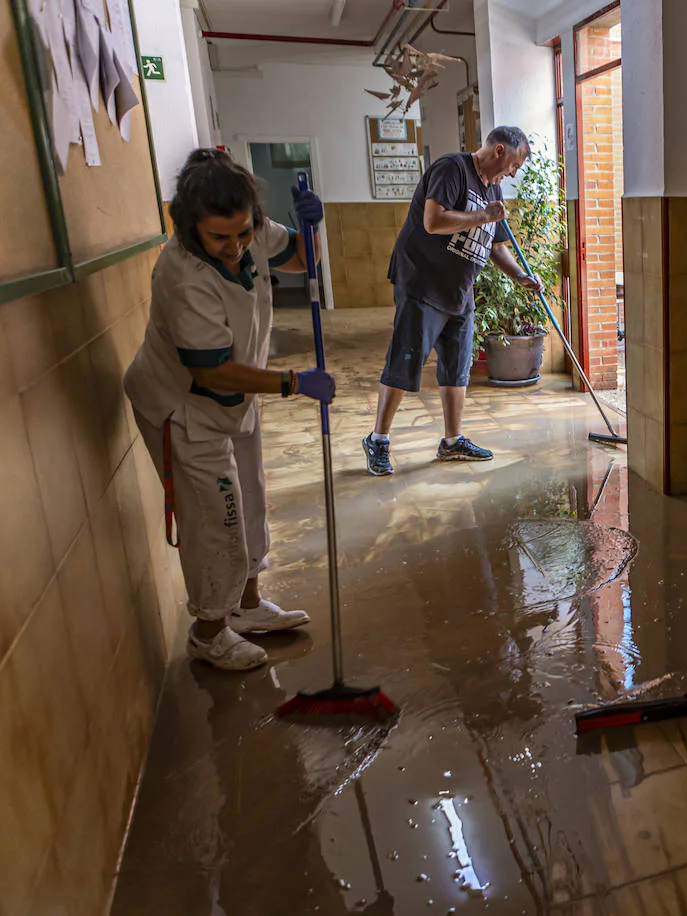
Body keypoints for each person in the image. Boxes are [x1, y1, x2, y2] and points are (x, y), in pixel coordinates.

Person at [124, 149, 336, 672]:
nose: (235, 246)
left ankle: (246, 607)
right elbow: (211, 372)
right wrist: (292, 381)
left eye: (243, 233)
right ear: (189, 224)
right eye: (221, 237)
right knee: (216, 518)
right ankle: (209, 631)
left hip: (236, 400)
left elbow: (301, 260)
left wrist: (315, 229)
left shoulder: (250, 229)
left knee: (253, 498)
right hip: (185, 409)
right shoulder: (183, 275)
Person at [362, 126, 543, 476]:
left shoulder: (493, 187)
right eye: (514, 164)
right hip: (422, 281)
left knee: (457, 367)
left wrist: (518, 275)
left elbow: (496, 245)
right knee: (407, 360)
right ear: (500, 150)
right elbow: (432, 221)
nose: (513, 172)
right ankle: (378, 439)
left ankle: (451, 441)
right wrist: (481, 216)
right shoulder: (452, 169)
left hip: (459, 288)